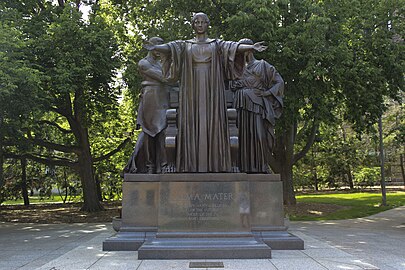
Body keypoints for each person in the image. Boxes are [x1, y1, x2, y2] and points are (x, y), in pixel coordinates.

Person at [144, 12, 267, 173]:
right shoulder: (185, 44)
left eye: (203, 22)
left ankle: (217, 163)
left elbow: (233, 47)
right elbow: (170, 48)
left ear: (208, 24)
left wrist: (251, 47)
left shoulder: (216, 44)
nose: (200, 25)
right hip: (191, 89)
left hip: (212, 90)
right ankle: (190, 164)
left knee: (213, 122)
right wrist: (155, 47)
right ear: (193, 25)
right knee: (191, 122)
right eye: (197, 22)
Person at [232, 38, 284, 173]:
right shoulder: (236, 69)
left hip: (256, 105)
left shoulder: (263, 65)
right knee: (241, 137)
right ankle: (242, 166)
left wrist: (268, 93)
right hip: (240, 105)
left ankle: (261, 166)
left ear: (249, 50)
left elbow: (279, 82)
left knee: (258, 135)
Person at [123, 37, 169, 174]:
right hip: (150, 98)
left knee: (163, 131)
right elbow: (164, 77)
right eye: (157, 46)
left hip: (163, 98)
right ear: (151, 48)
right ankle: (150, 166)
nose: (160, 49)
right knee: (149, 131)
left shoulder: (162, 64)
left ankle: (163, 164)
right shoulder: (143, 63)